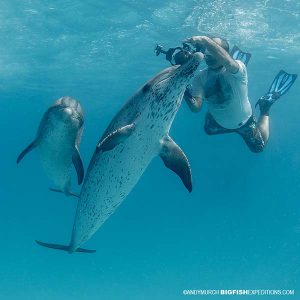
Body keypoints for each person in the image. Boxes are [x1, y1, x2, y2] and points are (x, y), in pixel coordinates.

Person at [182, 35, 297, 153]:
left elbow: (229, 63)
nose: (207, 53)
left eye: (212, 49)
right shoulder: (200, 77)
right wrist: (182, 86)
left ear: (224, 52)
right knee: (208, 130)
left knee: (258, 148)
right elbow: (196, 108)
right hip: (218, 121)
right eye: (206, 50)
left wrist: (205, 40)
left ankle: (265, 107)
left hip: (243, 123)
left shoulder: (239, 66)